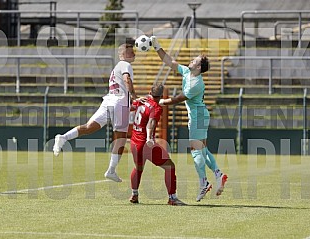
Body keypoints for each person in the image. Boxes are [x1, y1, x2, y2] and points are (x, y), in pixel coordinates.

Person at [150, 36, 228, 202]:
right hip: (199, 115)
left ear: (199, 67)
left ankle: (204, 183)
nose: (191, 60)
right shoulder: (187, 72)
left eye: (194, 60)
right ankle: (218, 174)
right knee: (203, 149)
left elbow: (180, 98)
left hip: (198, 116)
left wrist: (162, 101)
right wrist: (157, 46)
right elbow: (169, 61)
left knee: (195, 151)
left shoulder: (196, 83)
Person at [53, 43, 138, 183]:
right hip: (119, 103)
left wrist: (129, 104)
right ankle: (111, 170)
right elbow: (126, 80)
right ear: (122, 55)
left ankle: (63, 137)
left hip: (109, 100)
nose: (133, 54)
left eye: (133, 51)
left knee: (89, 127)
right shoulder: (125, 65)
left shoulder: (117, 66)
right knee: (121, 138)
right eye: (130, 52)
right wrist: (134, 96)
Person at [129, 83, 186, 206]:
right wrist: (149, 137)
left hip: (134, 141)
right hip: (146, 143)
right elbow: (151, 122)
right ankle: (172, 198)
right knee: (169, 166)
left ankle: (134, 194)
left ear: (150, 92)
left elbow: (129, 107)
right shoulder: (156, 107)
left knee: (138, 168)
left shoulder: (142, 100)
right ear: (161, 96)